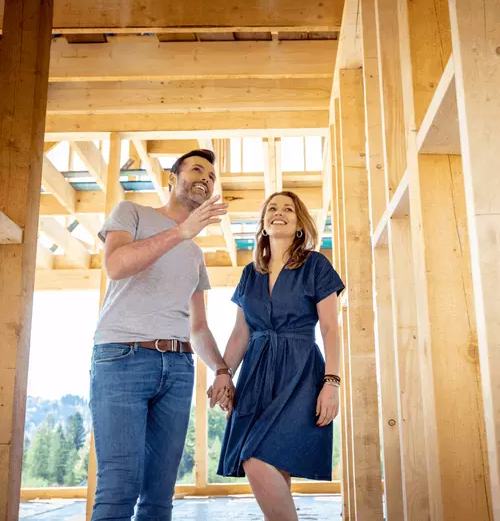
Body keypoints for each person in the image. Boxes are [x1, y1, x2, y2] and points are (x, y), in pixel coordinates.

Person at [90, 149, 235, 521]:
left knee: (160, 492)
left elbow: (198, 326)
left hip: (179, 366)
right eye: (197, 169)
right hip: (122, 358)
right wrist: (181, 232)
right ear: (173, 177)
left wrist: (221, 370)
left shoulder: (195, 253)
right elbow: (116, 266)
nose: (206, 178)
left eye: (212, 176)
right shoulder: (131, 213)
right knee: (119, 484)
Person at [212, 191, 345, 521]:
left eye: (288, 209)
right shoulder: (249, 273)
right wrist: (223, 373)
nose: (279, 213)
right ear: (263, 222)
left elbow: (330, 327)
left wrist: (332, 382)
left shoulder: (315, 265)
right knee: (270, 461)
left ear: (299, 224)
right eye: (272, 208)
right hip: (255, 372)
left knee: (256, 456)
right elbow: (240, 332)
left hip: (300, 373)